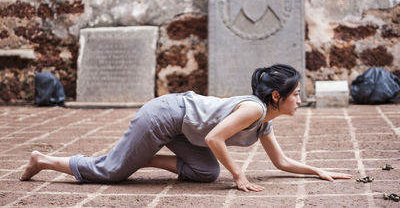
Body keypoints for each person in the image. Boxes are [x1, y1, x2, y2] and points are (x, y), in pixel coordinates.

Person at [20, 64, 352, 192]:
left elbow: (281, 162)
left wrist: (318, 171)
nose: (299, 99)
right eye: (295, 94)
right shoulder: (252, 108)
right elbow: (213, 137)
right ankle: (43, 160)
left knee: (206, 171)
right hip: (164, 115)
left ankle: (145, 157)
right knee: (112, 171)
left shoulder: (263, 121)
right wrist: (239, 176)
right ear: (276, 96)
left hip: (181, 127)